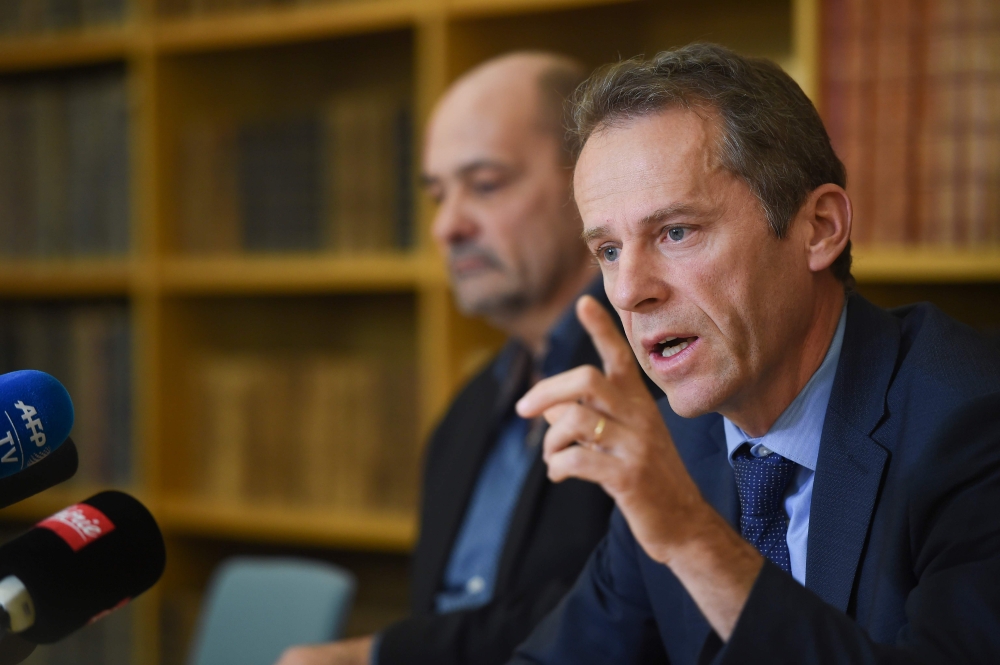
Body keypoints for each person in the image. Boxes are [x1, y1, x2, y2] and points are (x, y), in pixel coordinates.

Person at [510, 43, 1000, 663]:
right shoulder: (677, 448)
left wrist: (691, 534)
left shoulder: (972, 422)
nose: (629, 291)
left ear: (819, 227)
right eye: (608, 251)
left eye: (676, 232)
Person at [276, 52, 658, 665]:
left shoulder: (659, 375)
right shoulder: (467, 411)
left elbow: (623, 612)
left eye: (484, 185)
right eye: (437, 195)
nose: (446, 227)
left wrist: (377, 655)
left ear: (587, 181)